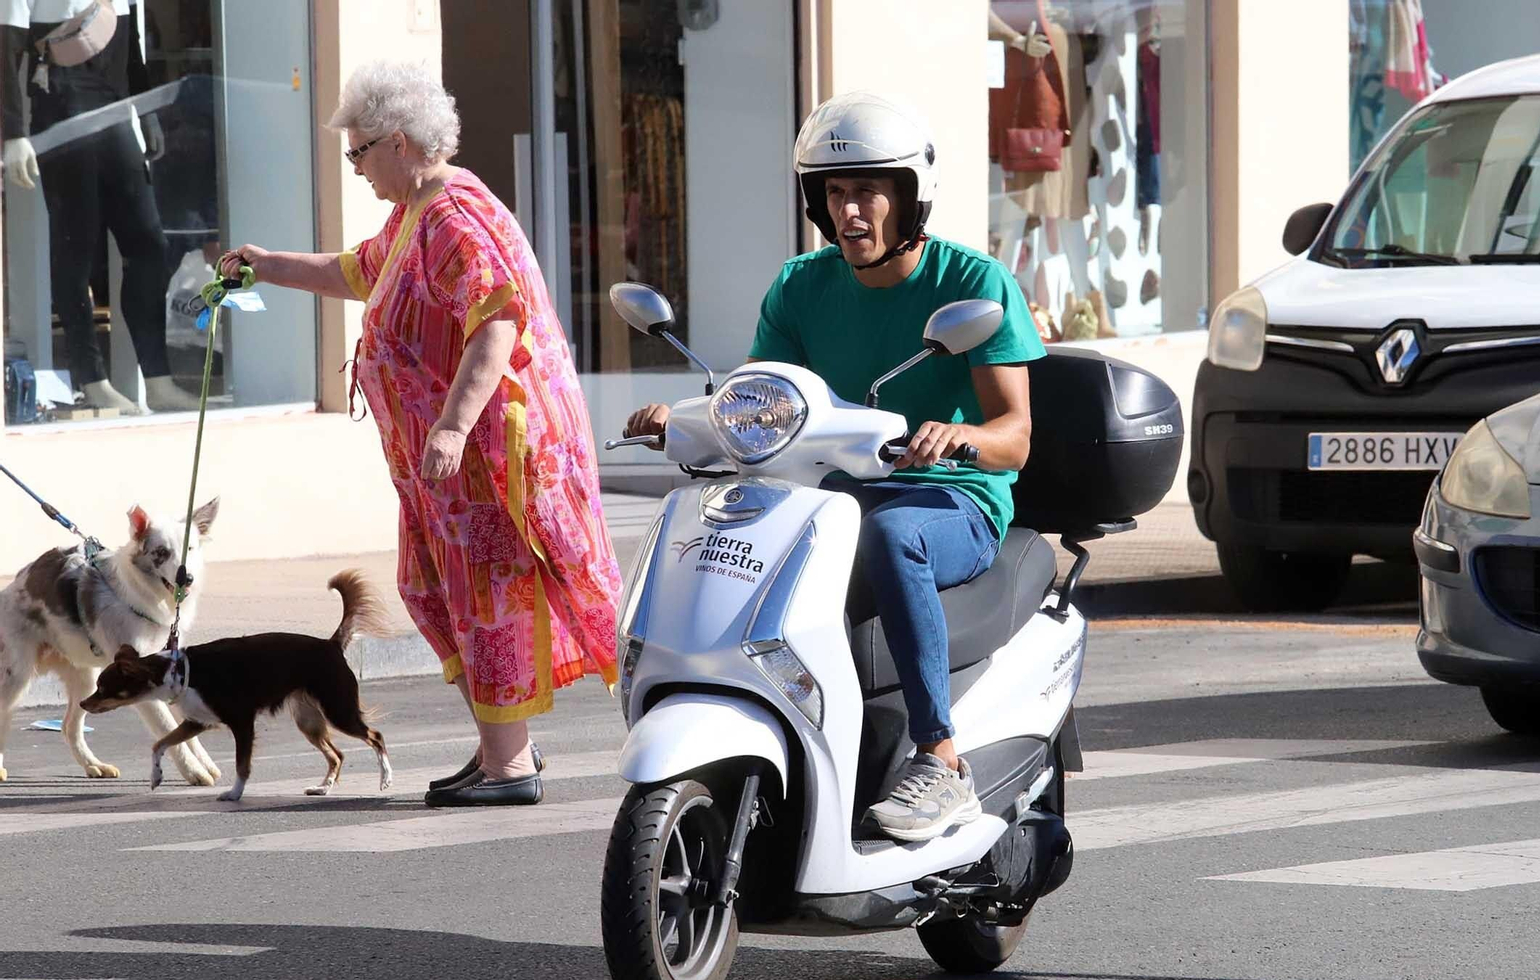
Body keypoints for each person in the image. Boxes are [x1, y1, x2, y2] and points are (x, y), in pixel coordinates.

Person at [626, 91, 1042, 842]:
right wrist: (681, 421)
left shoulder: (974, 284)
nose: (850, 211)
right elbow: (759, 402)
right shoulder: (800, 285)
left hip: (953, 500)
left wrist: (957, 435)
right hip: (831, 495)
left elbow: (1015, 437)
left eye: (869, 192)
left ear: (909, 196)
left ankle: (941, 758)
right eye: (836, 193)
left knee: (892, 538)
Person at [220, 60, 621, 808]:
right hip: (441, 470)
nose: (356, 167)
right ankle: (503, 750)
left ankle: (509, 766)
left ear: (399, 143)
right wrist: (268, 265)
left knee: (485, 598)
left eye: (360, 151)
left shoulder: (453, 219)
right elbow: (356, 271)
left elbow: (496, 323)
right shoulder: (415, 215)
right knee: (432, 589)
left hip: (483, 461)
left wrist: (451, 426)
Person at [0, 0, 201, 413]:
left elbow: (131, 48)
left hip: (113, 118)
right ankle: (92, 380)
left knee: (148, 243)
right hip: (61, 116)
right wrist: (13, 133)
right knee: (76, 253)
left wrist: (147, 114)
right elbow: (5, 50)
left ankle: (157, 379)